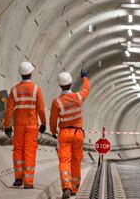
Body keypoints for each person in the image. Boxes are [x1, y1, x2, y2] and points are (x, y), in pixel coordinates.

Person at [4, 61, 47, 189]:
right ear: (31, 74)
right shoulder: (36, 89)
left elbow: (9, 109)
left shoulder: (14, 89)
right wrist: (44, 123)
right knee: (29, 152)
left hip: (18, 126)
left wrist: (7, 125)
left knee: (18, 151)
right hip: (32, 126)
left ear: (21, 74)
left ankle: (18, 179)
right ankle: (28, 182)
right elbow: (40, 108)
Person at [49, 69, 89, 198]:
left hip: (64, 134)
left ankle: (66, 186)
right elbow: (86, 89)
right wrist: (84, 77)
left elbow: (53, 120)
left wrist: (53, 131)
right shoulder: (78, 97)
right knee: (76, 160)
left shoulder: (57, 102)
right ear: (71, 84)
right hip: (78, 134)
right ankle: (75, 189)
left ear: (60, 85)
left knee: (64, 160)